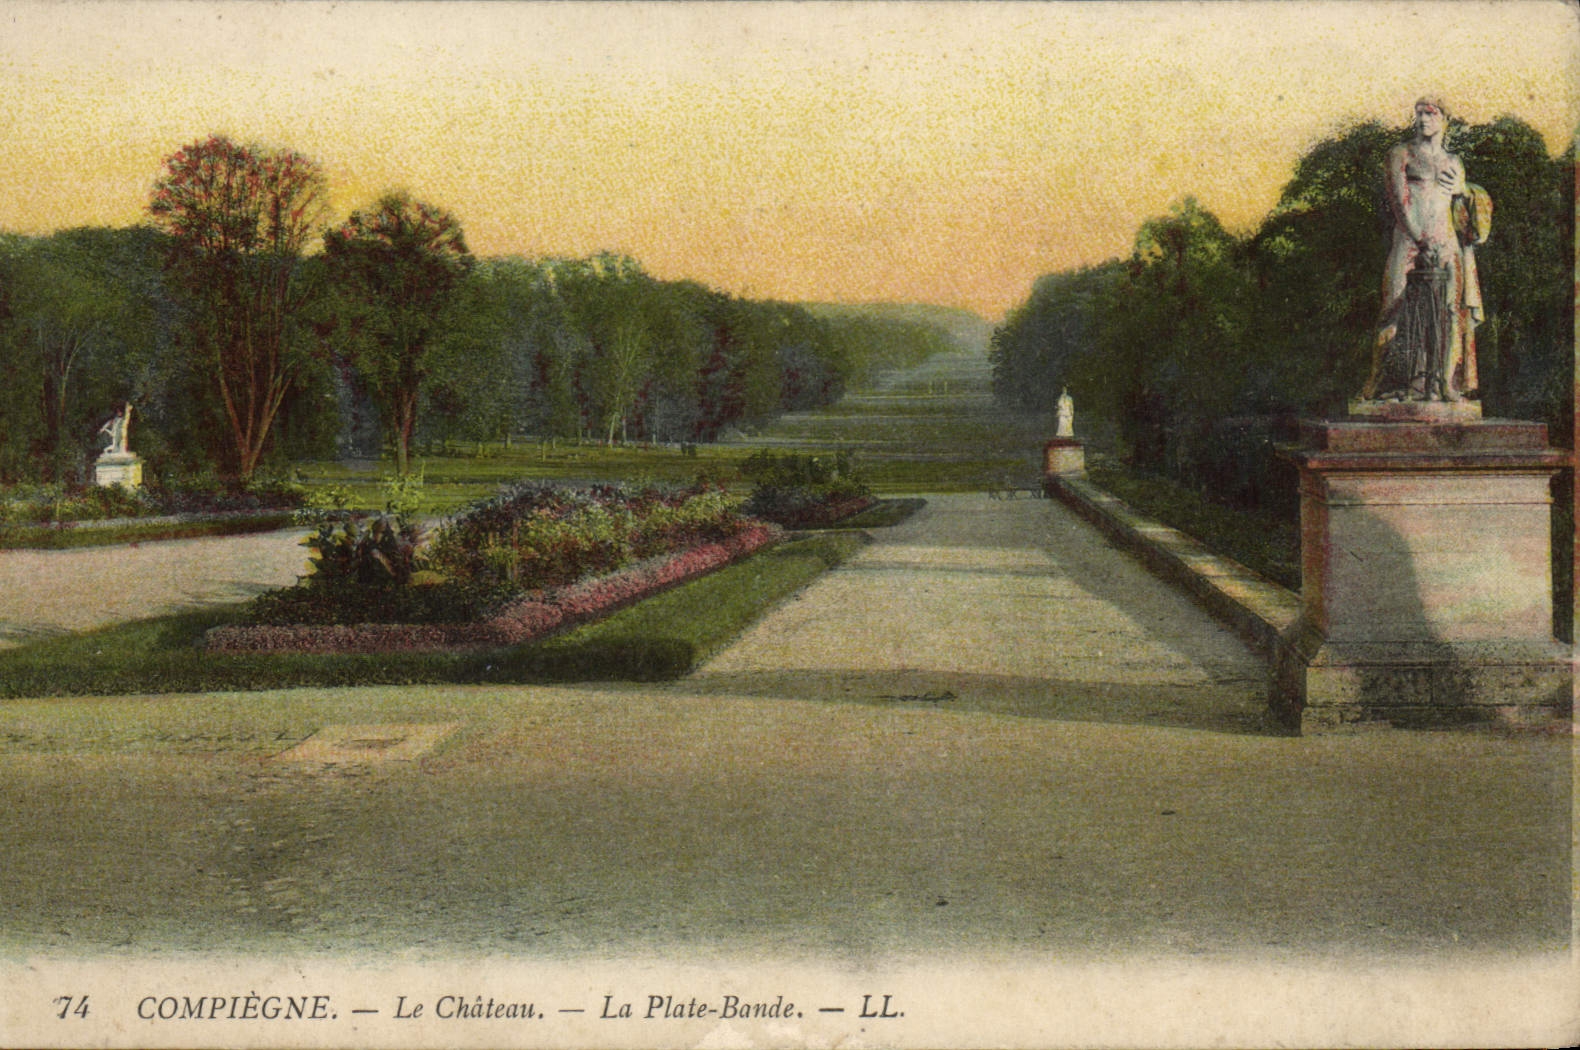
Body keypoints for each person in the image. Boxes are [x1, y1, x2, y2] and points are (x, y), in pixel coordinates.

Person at [1361, 98, 1489, 402]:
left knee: (1449, 313)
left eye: (1430, 114)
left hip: (1446, 244)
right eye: (1418, 113)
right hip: (1409, 240)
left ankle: (1444, 384)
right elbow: (1398, 203)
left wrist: (1464, 189)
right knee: (1393, 307)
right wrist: (1419, 238)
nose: (1422, 119)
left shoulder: (1454, 162)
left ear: (1445, 119)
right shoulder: (1401, 153)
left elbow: (1463, 206)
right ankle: (1376, 383)